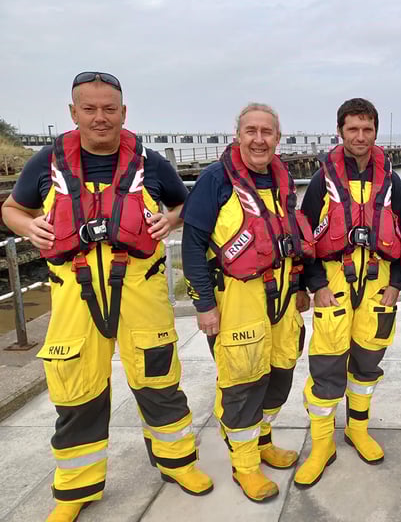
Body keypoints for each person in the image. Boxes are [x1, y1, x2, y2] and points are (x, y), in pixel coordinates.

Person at [1, 72, 212, 522]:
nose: (100, 117)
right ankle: (76, 489)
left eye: (109, 109)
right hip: (74, 301)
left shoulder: (151, 164)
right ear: (72, 112)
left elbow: (182, 205)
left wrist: (170, 221)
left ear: (123, 112)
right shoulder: (46, 164)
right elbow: (11, 209)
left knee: (160, 386)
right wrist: (26, 226)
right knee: (78, 395)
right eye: (90, 108)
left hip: (142, 297)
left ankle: (179, 464)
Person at [181, 103, 314, 502]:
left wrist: (303, 285)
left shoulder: (283, 178)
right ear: (237, 135)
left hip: (284, 297)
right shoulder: (214, 181)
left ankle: (263, 441)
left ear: (278, 137)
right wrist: (204, 304)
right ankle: (245, 466)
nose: (259, 139)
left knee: (280, 373)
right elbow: (192, 246)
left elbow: (291, 237)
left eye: (267, 132)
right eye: (251, 131)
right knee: (241, 383)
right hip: (237, 298)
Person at [294, 98, 401, 488]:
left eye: (367, 129)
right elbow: (304, 235)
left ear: (376, 132)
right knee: (326, 370)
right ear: (340, 130)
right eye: (353, 129)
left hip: (378, 289)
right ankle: (322, 445)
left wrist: (396, 283)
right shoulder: (323, 180)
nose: (361, 136)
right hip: (334, 289)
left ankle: (358, 428)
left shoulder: (391, 180)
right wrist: (316, 285)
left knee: (367, 366)